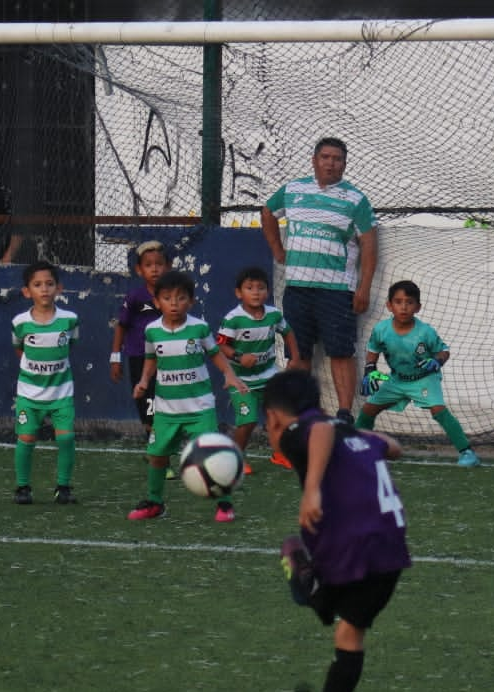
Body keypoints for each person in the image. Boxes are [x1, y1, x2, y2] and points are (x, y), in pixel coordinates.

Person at [263, 369, 411, 692]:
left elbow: (318, 434)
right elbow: (393, 447)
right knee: (349, 634)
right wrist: (367, 441)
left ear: (275, 419)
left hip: (354, 548)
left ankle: (314, 590)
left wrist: (311, 489)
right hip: (391, 552)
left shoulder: (300, 430)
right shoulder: (349, 431)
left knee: (297, 548)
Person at [260, 137, 378, 424]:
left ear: (344, 164)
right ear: (314, 160)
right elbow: (267, 211)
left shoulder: (355, 199)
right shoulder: (293, 190)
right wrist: (277, 248)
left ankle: (344, 414)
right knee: (298, 353)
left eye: (337, 158)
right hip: (298, 287)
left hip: (337, 290)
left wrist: (363, 288)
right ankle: (295, 412)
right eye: (325, 157)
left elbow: (369, 244)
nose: (330, 163)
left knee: (341, 352)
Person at [127, 269, 248, 523]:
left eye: (181, 298)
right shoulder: (152, 331)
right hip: (166, 409)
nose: (174, 304)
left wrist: (230, 374)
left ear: (191, 301)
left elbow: (215, 353)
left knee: (212, 455)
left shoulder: (199, 328)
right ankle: (155, 502)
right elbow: (151, 359)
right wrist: (144, 381)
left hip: (199, 407)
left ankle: (225, 505)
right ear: (157, 302)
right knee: (157, 455)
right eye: (167, 298)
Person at [357, 280, 480, 467]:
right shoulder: (381, 329)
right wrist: (370, 370)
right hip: (397, 380)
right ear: (389, 305)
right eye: (398, 302)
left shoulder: (425, 332)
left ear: (418, 307)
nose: (404, 307)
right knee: (368, 409)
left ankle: (467, 452)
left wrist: (437, 361)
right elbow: (373, 348)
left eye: (409, 302)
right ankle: (357, 449)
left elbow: (444, 351)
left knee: (438, 410)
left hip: (424, 379)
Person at [216, 265, 299, 474]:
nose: (256, 292)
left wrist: (295, 357)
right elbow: (221, 346)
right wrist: (239, 356)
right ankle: (236, 457)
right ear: (239, 293)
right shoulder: (233, 318)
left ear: (268, 292)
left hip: (269, 376)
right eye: (249, 288)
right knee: (248, 421)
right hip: (241, 380)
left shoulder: (273, 315)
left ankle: (280, 454)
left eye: (261, 288)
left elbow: (288, 333)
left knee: (280, 416)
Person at [12, 261, 80, 505]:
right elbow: (19, 348)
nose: (44, 290)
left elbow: (70, 345)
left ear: (59, 288)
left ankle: (63, 487)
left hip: (61, 392)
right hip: (29, 395)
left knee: (66, 438)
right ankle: (22, 487)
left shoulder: (70, 320)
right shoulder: (20, 322)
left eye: (49, 284)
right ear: (27, 291)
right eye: (37, 285)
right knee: (27, 439)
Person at [109, 240, 169, 434]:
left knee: (167, 399)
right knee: (145, 398)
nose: (154, 270)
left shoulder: (173, 296)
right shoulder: (135, 297)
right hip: (139, 357)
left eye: (159, 264)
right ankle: (151, 435)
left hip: (168, 357)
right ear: (139, 270)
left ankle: (165, 436)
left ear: (167, 267)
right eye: (148, 265)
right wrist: (115, 357)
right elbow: (121, 326)